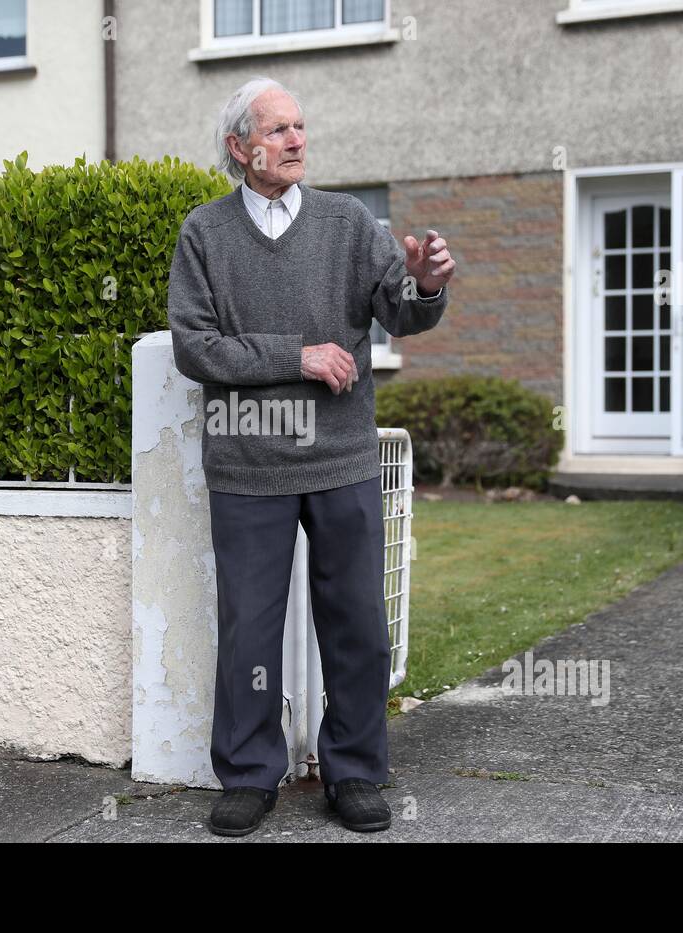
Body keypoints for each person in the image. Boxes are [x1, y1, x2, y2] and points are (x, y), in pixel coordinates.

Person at [167, 76, 456, 836]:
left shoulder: (347, 221)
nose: (298, 139)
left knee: (357, 623)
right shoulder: (204, 233)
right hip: (248, 469)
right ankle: (249, 773)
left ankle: (355, 770)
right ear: (240, 148)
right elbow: (196, 349)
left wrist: (424, 287)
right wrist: (298, 356)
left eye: (300, 126)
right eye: (279, 129)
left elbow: (400, 308)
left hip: (342, 460)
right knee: (250, 630)